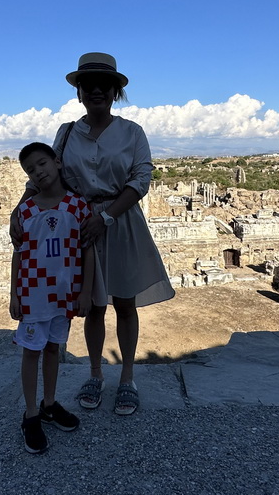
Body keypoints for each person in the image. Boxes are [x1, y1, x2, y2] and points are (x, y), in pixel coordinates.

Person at [14, 52, 175, 416]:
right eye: (90, 85)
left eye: (105, 85)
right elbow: (47, 175)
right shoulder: (67, 132)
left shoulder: (132, 132)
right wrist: (18, 209)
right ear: (80, 92)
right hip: (80, 223)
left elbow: (140, 179)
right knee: (93, 307)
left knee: (125, 303)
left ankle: (128, 378)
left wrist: (107, 218)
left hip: (120, 222)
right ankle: (96, 373)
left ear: (115, 91)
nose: (97, 90)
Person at [10, 141, 95, 454]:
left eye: (42, 163)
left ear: (57, 163)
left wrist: (85, 291)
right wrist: (14, 294)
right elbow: (18, 255)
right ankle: (30, 413)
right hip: (33, 295)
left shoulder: (78, 206)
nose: (39, 171)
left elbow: (88, 251)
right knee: (32, 351)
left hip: (64, 295)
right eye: (31, 169)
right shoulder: (25, 211)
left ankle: (49, 403)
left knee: (54, 349)